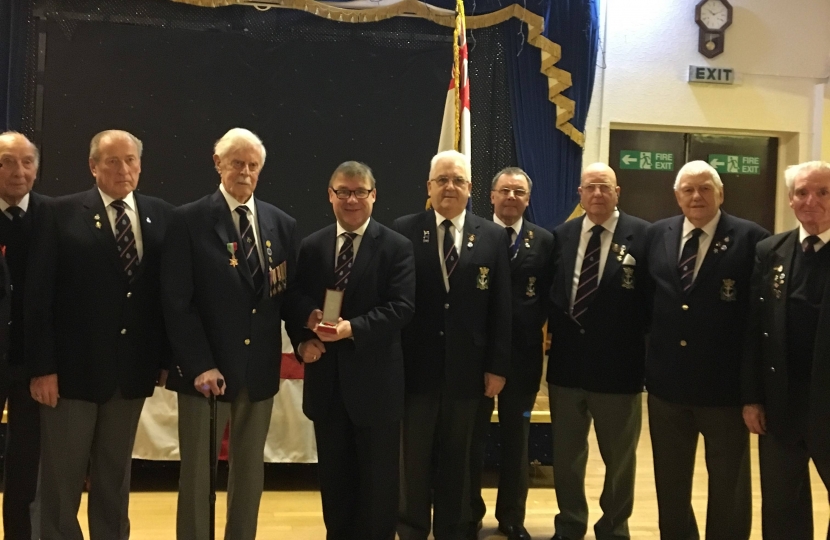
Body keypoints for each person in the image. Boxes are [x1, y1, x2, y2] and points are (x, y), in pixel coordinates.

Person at [162, 128, 313, 540]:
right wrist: (200, 365)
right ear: (218, 164)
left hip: (258, 369)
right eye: (236, 163)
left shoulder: (281, 224)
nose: (244, 172)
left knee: (249, 472)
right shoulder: (188, 220)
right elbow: (178, 304)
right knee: (198, 474)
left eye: (252, 165)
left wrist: (304, 335)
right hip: (206, 375)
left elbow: (288, 294)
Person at [26, 129, 173, 540]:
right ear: (93, 167)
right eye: (112, 161)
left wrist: (162, 360)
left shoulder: (160, 215)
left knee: (115, 481)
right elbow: (38, 300)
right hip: (69, 377)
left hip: (130, 375)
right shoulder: (59, 213)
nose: (122, 169)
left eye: (130, 160)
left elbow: (163, 297)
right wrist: (42, 368)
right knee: (60, 483)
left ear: (140, 165)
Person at [637, 160, 769, 540]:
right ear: (676, 196)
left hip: (724, 391)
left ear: (721, 194)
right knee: (671, 482)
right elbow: (649, 303)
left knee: (729, 485)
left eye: (705, 188)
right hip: (667, 388)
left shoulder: (752, 239)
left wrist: (752, 393)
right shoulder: (657, 235)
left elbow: (755, 322)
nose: (697, 196)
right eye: (688, 190)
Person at [290, 161, 415, 540]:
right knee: (335, 480)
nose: (351, 199)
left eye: (360, 191)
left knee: (378, 485)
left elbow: (402, 308)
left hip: (376, 387)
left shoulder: (396, 246)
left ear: (374, 196)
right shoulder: (312, 246)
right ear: (330, 196)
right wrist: (305, 332)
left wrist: (350, 329)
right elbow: (293, 299)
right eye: (342, 191)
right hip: (327, 387)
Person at [393, 150, 511, 540]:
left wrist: (497, 366)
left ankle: (456, 528)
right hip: (417, 370)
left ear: (470, 188)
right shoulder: (405, 231)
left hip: (470, 373)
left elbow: (501, 307)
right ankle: (411, 527)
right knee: (413, 458)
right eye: (442, 179)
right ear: (429, 187)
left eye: (458, 180)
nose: (450, 187)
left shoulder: (492, 236)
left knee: (461, 459)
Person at [545, 163, 649, 540]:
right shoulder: (562, 236)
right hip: (567, 369)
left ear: (617, 192)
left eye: (605, 187)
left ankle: (614, 528)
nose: (598, 194)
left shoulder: (644, 236)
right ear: (580, 193)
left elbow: (653, 305)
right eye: (591, 187)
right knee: (567, 456)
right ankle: (570, 523)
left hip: (619, 370)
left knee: (619, 460)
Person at [742, 160, 830, 540]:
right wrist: (752, 398)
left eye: (823, 192)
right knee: (781, 505)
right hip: (782, 403)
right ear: (791, 201)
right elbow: (754, 329)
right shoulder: (770, 251)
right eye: (802, 193)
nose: (812, 201)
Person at [468, 167, 554, 540]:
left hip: (522, 358)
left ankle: (512, 517)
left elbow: (549, 299)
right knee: (472, 437)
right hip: (477, 357)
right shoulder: (473, 234)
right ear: (490, 196)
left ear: (528, 199)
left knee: (517, 439)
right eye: (504, 190)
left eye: (519, 192)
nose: (511, 198)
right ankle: (469, 511)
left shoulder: (545, 241)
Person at [0, 131, 46, 540]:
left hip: (35, 364)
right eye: (6, 162)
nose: (17, 172)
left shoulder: (56, 216)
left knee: (26, 466)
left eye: (25, 162)